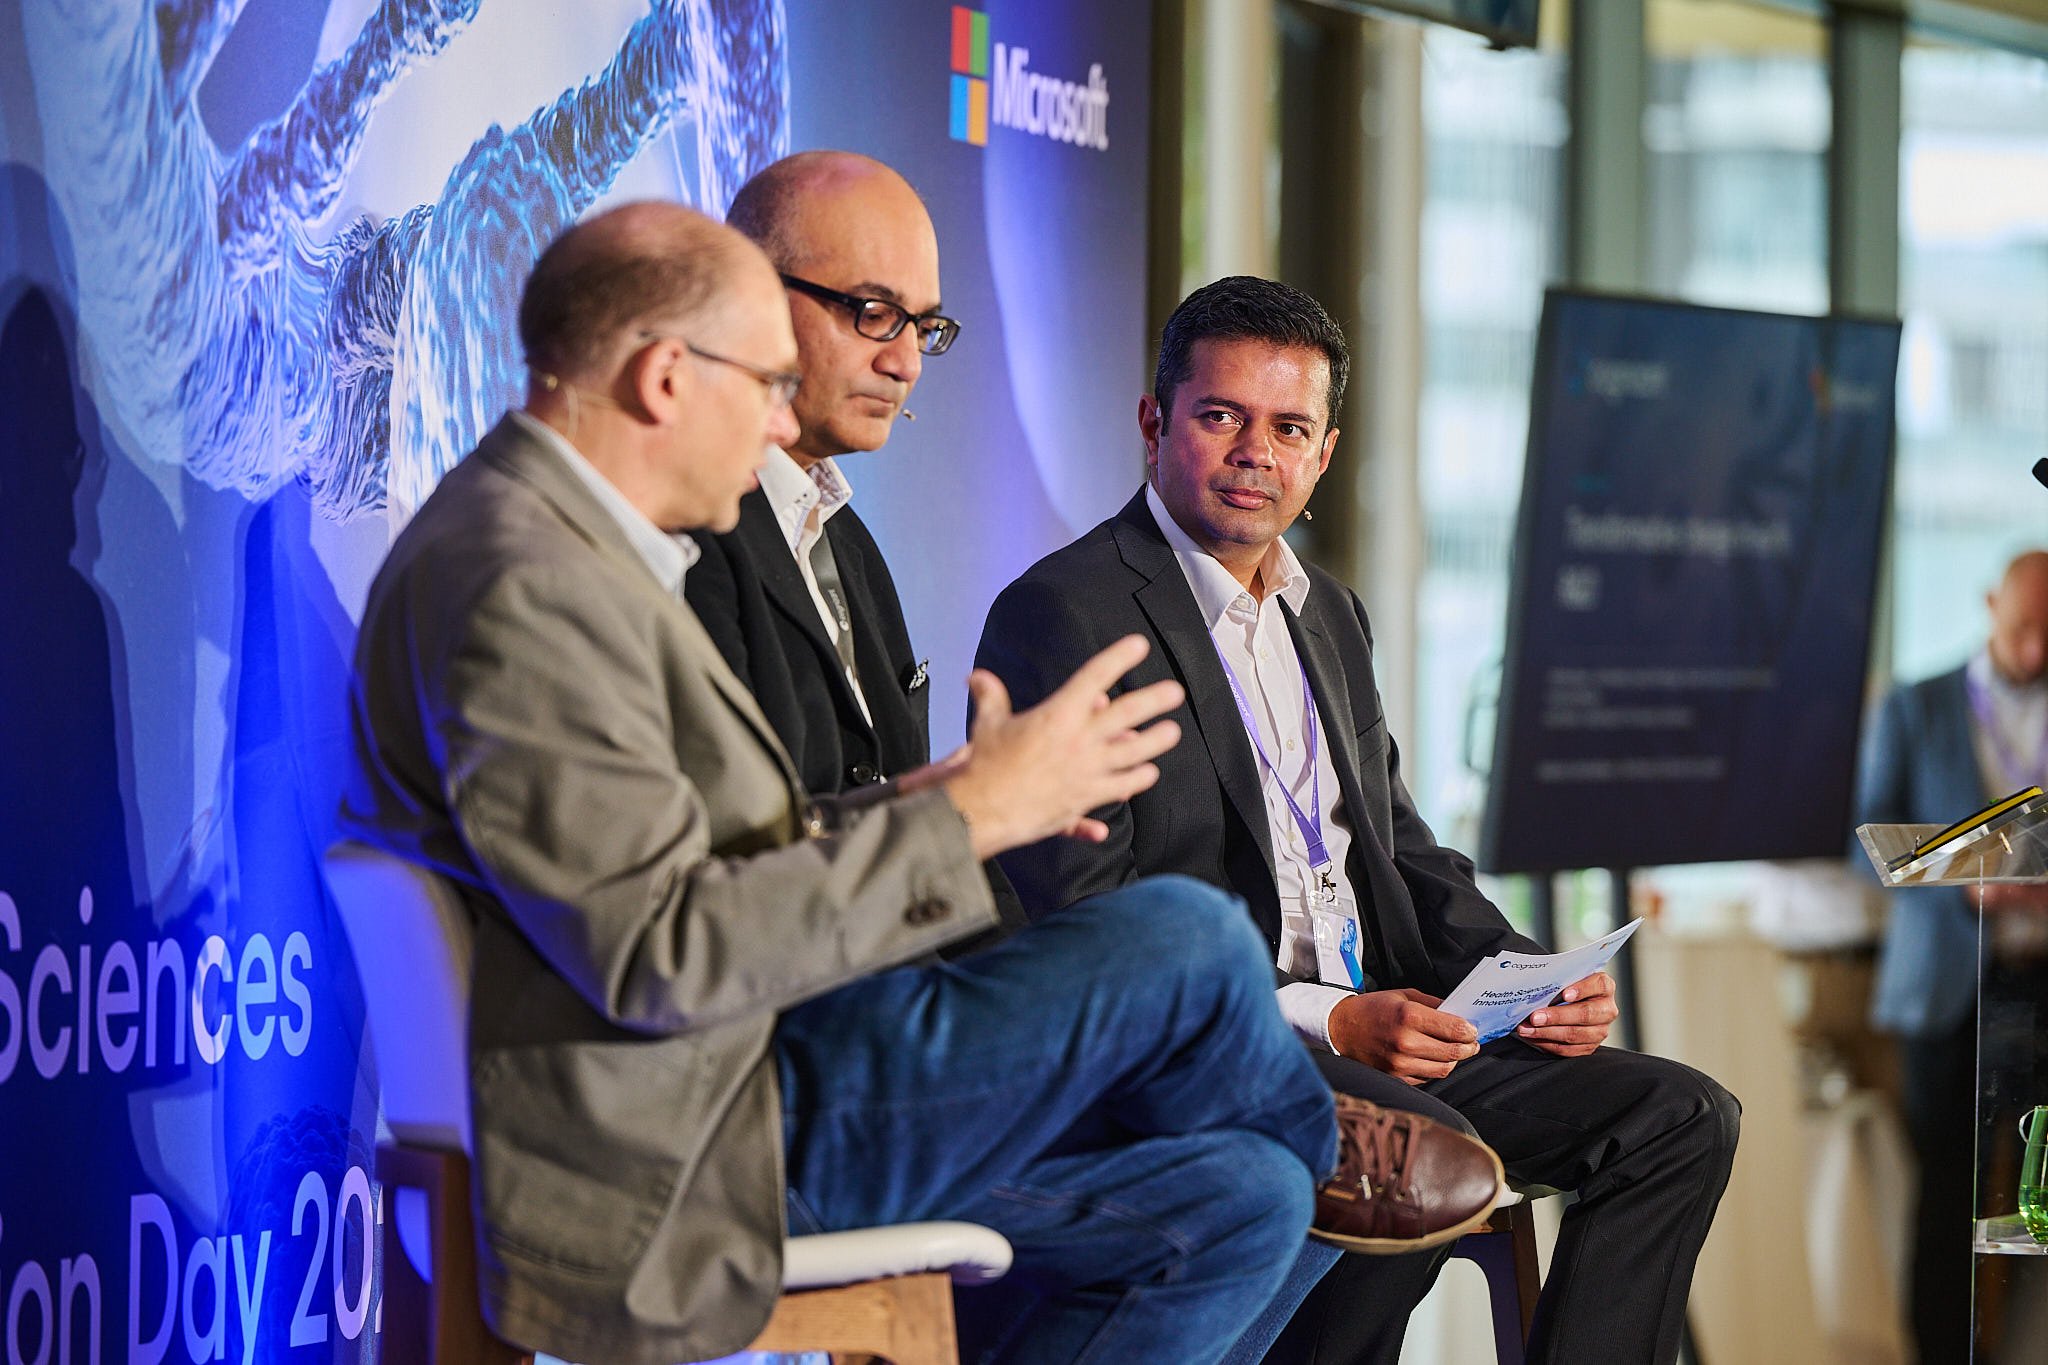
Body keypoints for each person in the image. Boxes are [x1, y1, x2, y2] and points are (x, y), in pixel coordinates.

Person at [337, 207, 1500, 1365]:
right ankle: (1315, 1129)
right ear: (662, 378)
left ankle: (1297, 1143)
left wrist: (931, 799)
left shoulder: (560, 554)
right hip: (686, 1149)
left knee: (1246, 1196)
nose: (773, 427)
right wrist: (965, 821)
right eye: (764, 385)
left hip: (736, 1089)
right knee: (1187, 939)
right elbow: (660, 955)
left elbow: (691, 863)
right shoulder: (524, 585)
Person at [976, 275, 1742, 1365]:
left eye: (1287, 427)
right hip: (1226, 1041)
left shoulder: (1327, 613)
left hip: (1395, 1032)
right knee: (1426, 1151)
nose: (1255, 451)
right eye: (1219, 416)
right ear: (1153, 424)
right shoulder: (1068, 613)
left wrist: (1531, 982)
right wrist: (1331, 1022)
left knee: (1679, 1118)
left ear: (1322, 453)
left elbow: (1398, 850)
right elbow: (1087, 917)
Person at [684, 151, 947, 798]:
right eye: (874, 311)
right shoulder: (682, 531)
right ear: (754, 294)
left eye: (924, 325)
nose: (906, 362)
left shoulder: (851, 544)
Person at [1857, 549, 2048, 1364]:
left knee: (2038, 1205)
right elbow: (1865, 842)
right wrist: (1966, 875)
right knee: (1945, 1202)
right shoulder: (1917, 703)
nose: (2037, 650)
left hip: (2042, 986)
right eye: (2025, 628)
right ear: (1989, 605)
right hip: (1948, 991)